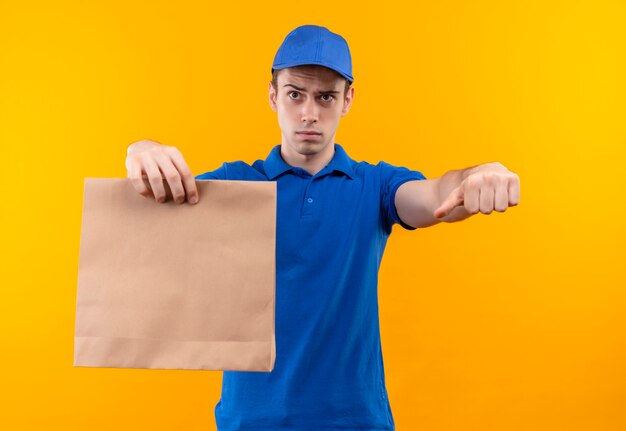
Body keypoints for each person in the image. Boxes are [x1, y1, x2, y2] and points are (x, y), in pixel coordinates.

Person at [125, 24, 520, 431]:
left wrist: (477, 176)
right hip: (251, 421)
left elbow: (437, 194)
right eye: (295, 94)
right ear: (272, 95)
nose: (309, 113)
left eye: (325, 97)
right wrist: (143, 149)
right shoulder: (235, 186)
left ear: (347, 99)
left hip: (355, 421)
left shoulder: (375, 187)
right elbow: (149, 219)